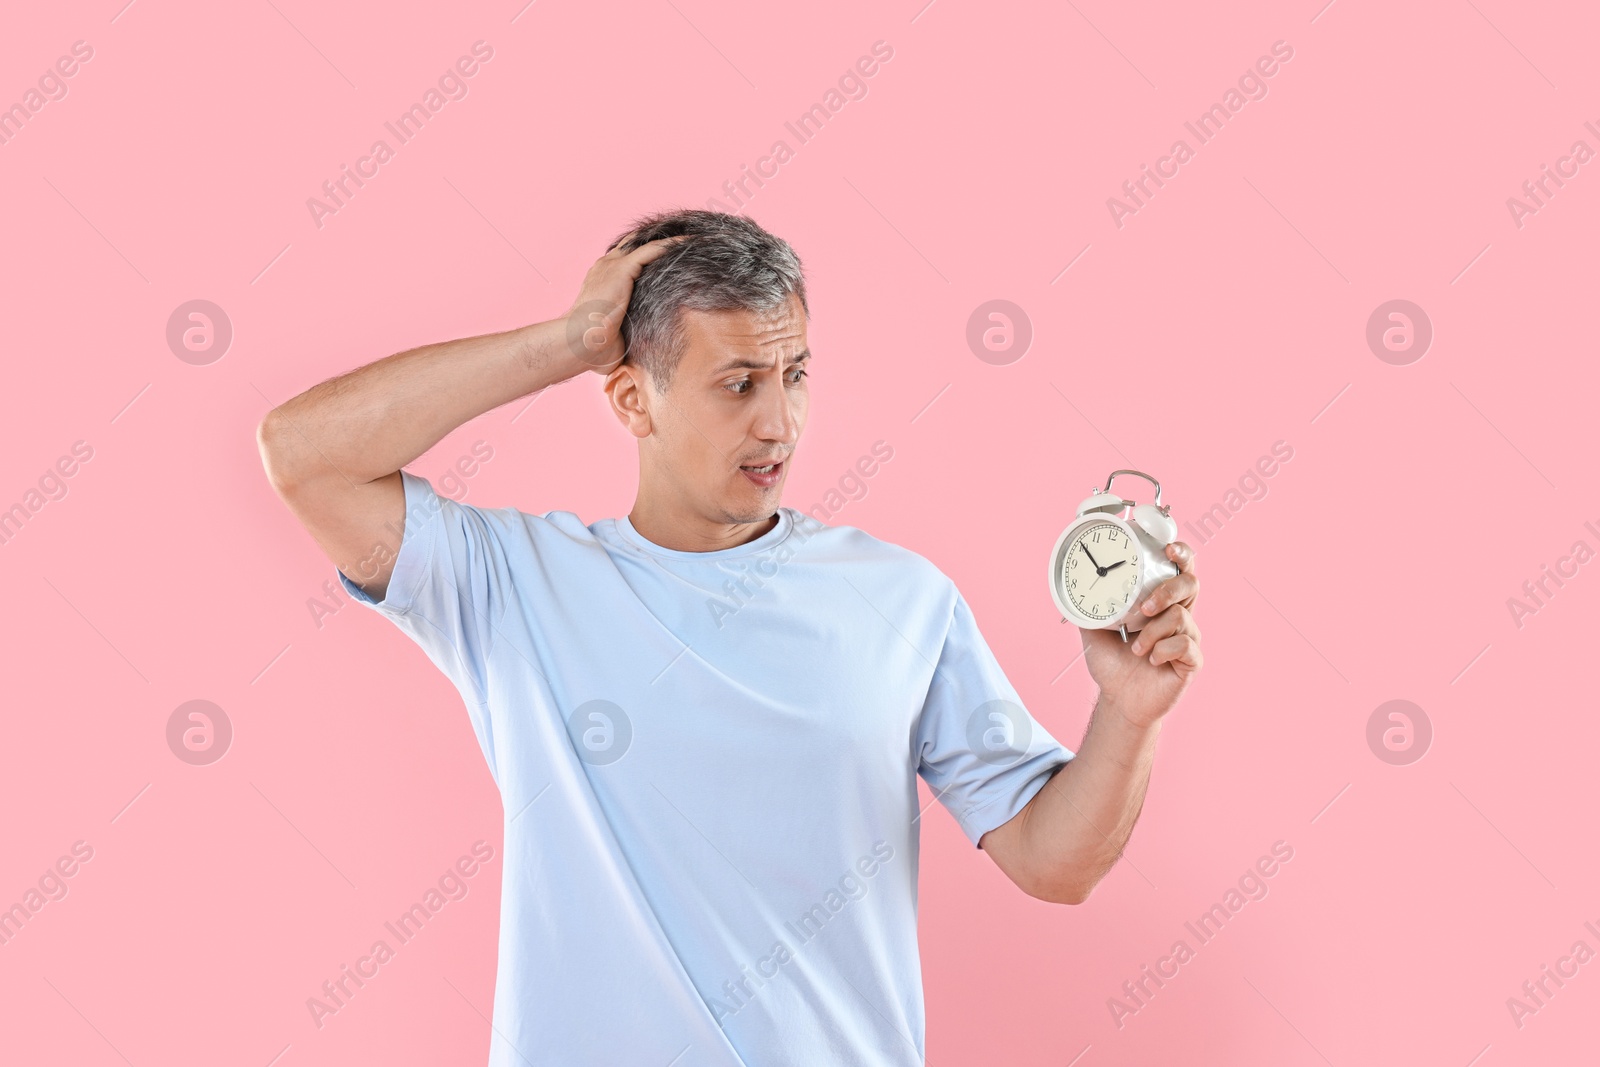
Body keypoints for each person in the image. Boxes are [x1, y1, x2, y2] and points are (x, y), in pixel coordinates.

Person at [256, 208, 1202, 1066]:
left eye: (795, 375)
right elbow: (303, 454)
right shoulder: (510, 583)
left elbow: (1054, 860)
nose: (779, 422)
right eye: (738, 383)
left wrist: (1127, 713)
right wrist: (569, 341)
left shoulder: (900, 596)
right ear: (632, 400)